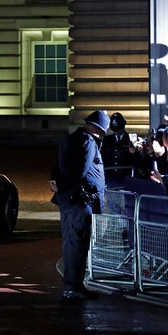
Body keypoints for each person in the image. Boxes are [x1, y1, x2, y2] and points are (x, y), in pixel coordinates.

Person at [51, 109, 108, 300]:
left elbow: (58, 164)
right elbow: (79, 171)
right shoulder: (88, 142)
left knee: (70, 243)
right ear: (97, 129)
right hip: (80, 201)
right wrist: (64, 185)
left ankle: (71, 284)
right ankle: (74, 286)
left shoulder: (70, 139)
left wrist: (57, 183)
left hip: (69, 200)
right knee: (78, 245)